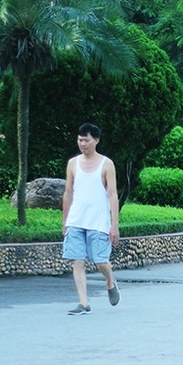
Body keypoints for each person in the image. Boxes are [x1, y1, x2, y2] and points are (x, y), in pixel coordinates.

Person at [62, 123, 120, 315]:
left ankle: (110, 281)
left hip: (98, 221)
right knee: (77, 260)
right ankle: (84, 303)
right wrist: (65, 221)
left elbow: (112, 195)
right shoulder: (73, 163)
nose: (83, 144)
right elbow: (68, 193)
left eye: (86, 140)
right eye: (80, 140)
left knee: (100, 261)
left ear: (96, 140)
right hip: (76, 220)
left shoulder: (107, 164)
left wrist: (114, 226)